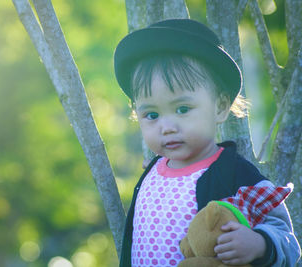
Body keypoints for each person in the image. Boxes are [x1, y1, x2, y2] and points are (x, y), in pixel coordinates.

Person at [113, 19, 301, 267]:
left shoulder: (234, 173)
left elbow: (287, 239)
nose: (167, 127)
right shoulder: (153, 172)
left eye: (182, 108)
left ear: (221, 107)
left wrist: (260, 244)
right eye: (152, 115)